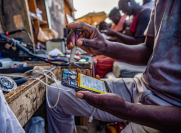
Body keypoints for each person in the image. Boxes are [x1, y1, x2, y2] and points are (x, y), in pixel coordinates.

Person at [46, 0, 181, 132]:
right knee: (55, 93)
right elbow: (149, 50)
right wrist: (105, 47)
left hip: (168, 110)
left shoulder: (144, 11)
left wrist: (126, 110)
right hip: (142, 86)